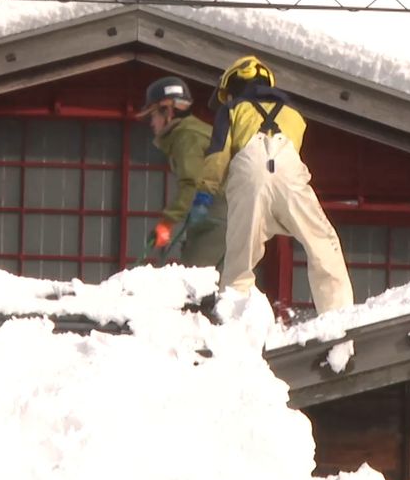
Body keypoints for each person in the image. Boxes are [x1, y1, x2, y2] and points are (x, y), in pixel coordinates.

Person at [186, 55, 354, 314]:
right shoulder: (295, 116)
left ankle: (233, 316)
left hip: (248, 170)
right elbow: (283, 162)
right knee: (322, 241)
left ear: (234, 87)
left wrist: (205, 193)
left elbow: (218, 156)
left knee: (240, 257)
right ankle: (338, 313)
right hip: (288, 168)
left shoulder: (232, 110)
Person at [135, 76, 227, 268]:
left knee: (196, 275)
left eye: (153, 115)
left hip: (219, 211)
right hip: (228, 211)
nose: (152, 123)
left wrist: (167, 223)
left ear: (167, 110)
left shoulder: (186, 137)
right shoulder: (194, 131)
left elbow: (191, 183)